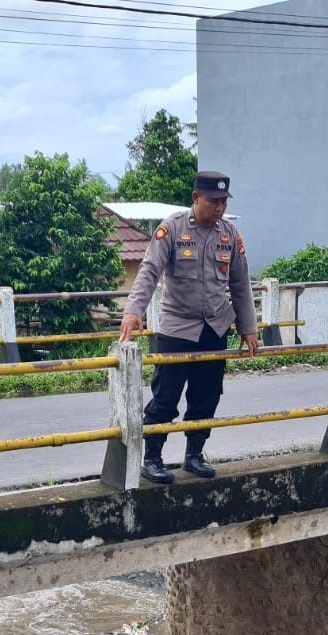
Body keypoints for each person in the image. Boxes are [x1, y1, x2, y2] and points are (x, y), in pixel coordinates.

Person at [119, 171, 258, 484]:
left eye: (223, 202)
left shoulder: (230, 235)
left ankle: (194, 454)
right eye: (213, 201)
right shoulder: (172, 228)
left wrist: (249, 327)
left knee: (207, 395)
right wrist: (133, 310)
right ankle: (152, 457)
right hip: (177, 329)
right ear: (196, 198)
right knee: (166, 397)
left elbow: (240, 283)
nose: (219, 207)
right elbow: (149, 270)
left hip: (215, 329)